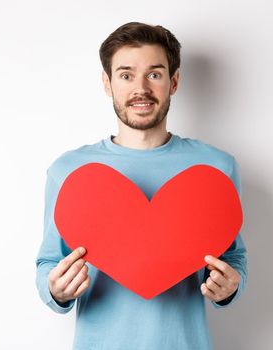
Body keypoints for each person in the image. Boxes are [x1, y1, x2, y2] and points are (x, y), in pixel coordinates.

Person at [35, 22, 248, 349]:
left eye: (154, 74)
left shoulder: (216, 168)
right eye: (125, 75)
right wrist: (56, 291)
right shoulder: (69, 172)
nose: (141, 88)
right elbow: (49, 262)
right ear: (107, 83)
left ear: (173, 81)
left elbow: (233, 258)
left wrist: (230, 287)